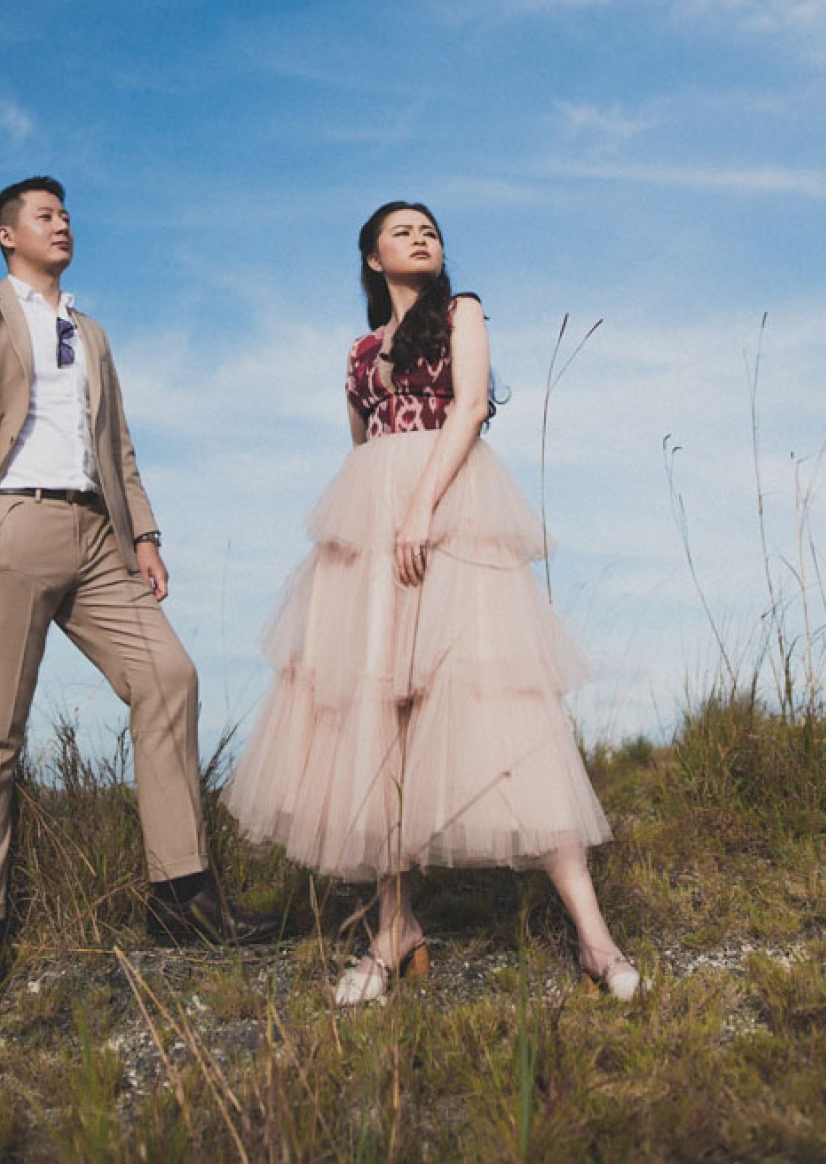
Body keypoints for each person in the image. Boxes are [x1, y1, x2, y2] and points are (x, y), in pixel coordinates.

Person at [223, 200, 639, 1005]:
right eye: (401, 231)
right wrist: (381, 519)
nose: (421, 237)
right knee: (379, 716)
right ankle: (394, 927)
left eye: (430, 230)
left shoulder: (461, 312)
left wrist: (420, 507)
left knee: (503, 706)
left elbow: (471, 407)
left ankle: (594, 936)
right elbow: (361, 450)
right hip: (376, 533)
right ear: (372, 258)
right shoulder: (359, 353)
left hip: (450, 514)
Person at [0, 175, 273, 1004]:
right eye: (45, 214)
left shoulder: (92, 332)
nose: (62, 222)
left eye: (66, 213)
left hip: (98, 532)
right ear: (8, 234)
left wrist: (143, 534)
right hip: (13, 525)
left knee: (169, 677)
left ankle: (179, 892)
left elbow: (119, 446)